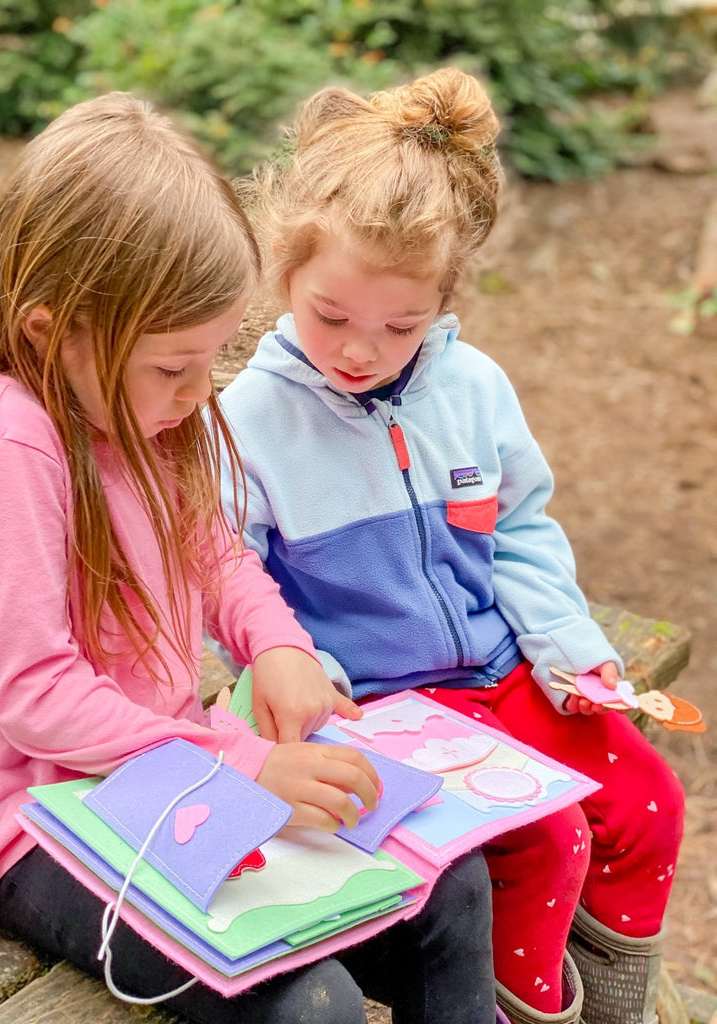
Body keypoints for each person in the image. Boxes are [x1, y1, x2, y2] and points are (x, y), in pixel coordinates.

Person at [0, 92, 498, 1024]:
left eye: (214, 357)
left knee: (453, 886)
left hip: (177, 771)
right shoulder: (7, 443)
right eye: (175, 366)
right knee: (308, 1005)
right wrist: (235, 766)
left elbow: (211, 550)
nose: (203, 391)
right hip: (32, 823)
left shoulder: (144, 409)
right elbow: (34, 692)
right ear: (52, 331)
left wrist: (277, 645)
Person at [215, 67, 686, 1024]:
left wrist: (566, 647)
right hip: (389, 705)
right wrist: (313, 675)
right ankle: (528, 1006)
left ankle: (618, 1007)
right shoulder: (248, 420)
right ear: (284, 275)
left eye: (403, 324)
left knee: (648, 808)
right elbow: (225, 580)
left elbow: (519, 527)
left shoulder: (473, 388)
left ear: (443, 298)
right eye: (332, 316)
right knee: (542, 840)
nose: (362, 350)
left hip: (506, 669)